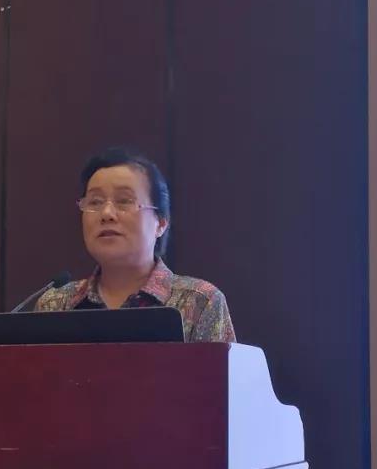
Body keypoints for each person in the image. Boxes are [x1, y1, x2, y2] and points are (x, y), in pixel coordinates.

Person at [34, 147, 235, 343]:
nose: (107, 214)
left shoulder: (199, 302)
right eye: (95, 202)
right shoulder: (56, 305)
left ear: (160, 223)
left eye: (124, 201)